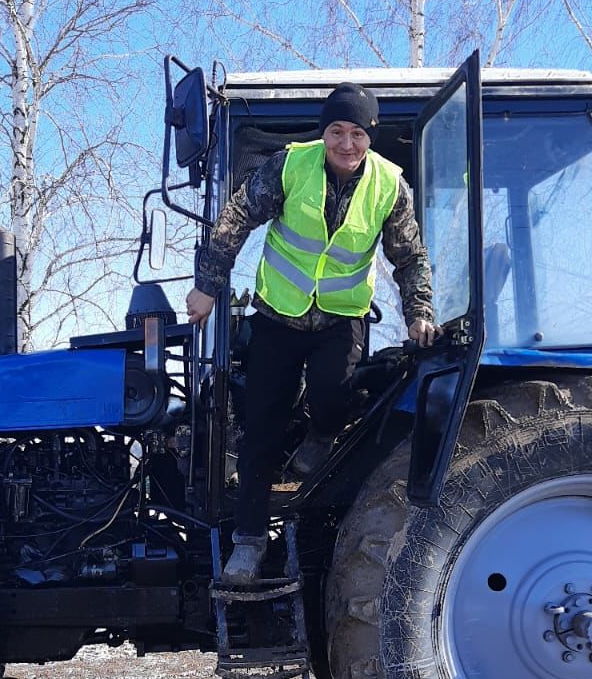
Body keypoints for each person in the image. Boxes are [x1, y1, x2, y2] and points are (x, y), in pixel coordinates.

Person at [186, 81, 437, 585]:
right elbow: (237, 218)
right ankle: (249, 544)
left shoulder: (390, 187)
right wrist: (208, 287)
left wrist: (419, 311)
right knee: (260, 428)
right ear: (325, 133)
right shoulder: (289, 166)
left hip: (341, 320)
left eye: (357, 134)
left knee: (334, 400)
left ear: (370, 136)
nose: (346, 143)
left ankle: (320, 436)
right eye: (336, 131)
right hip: (278, 316)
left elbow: (409, 257)